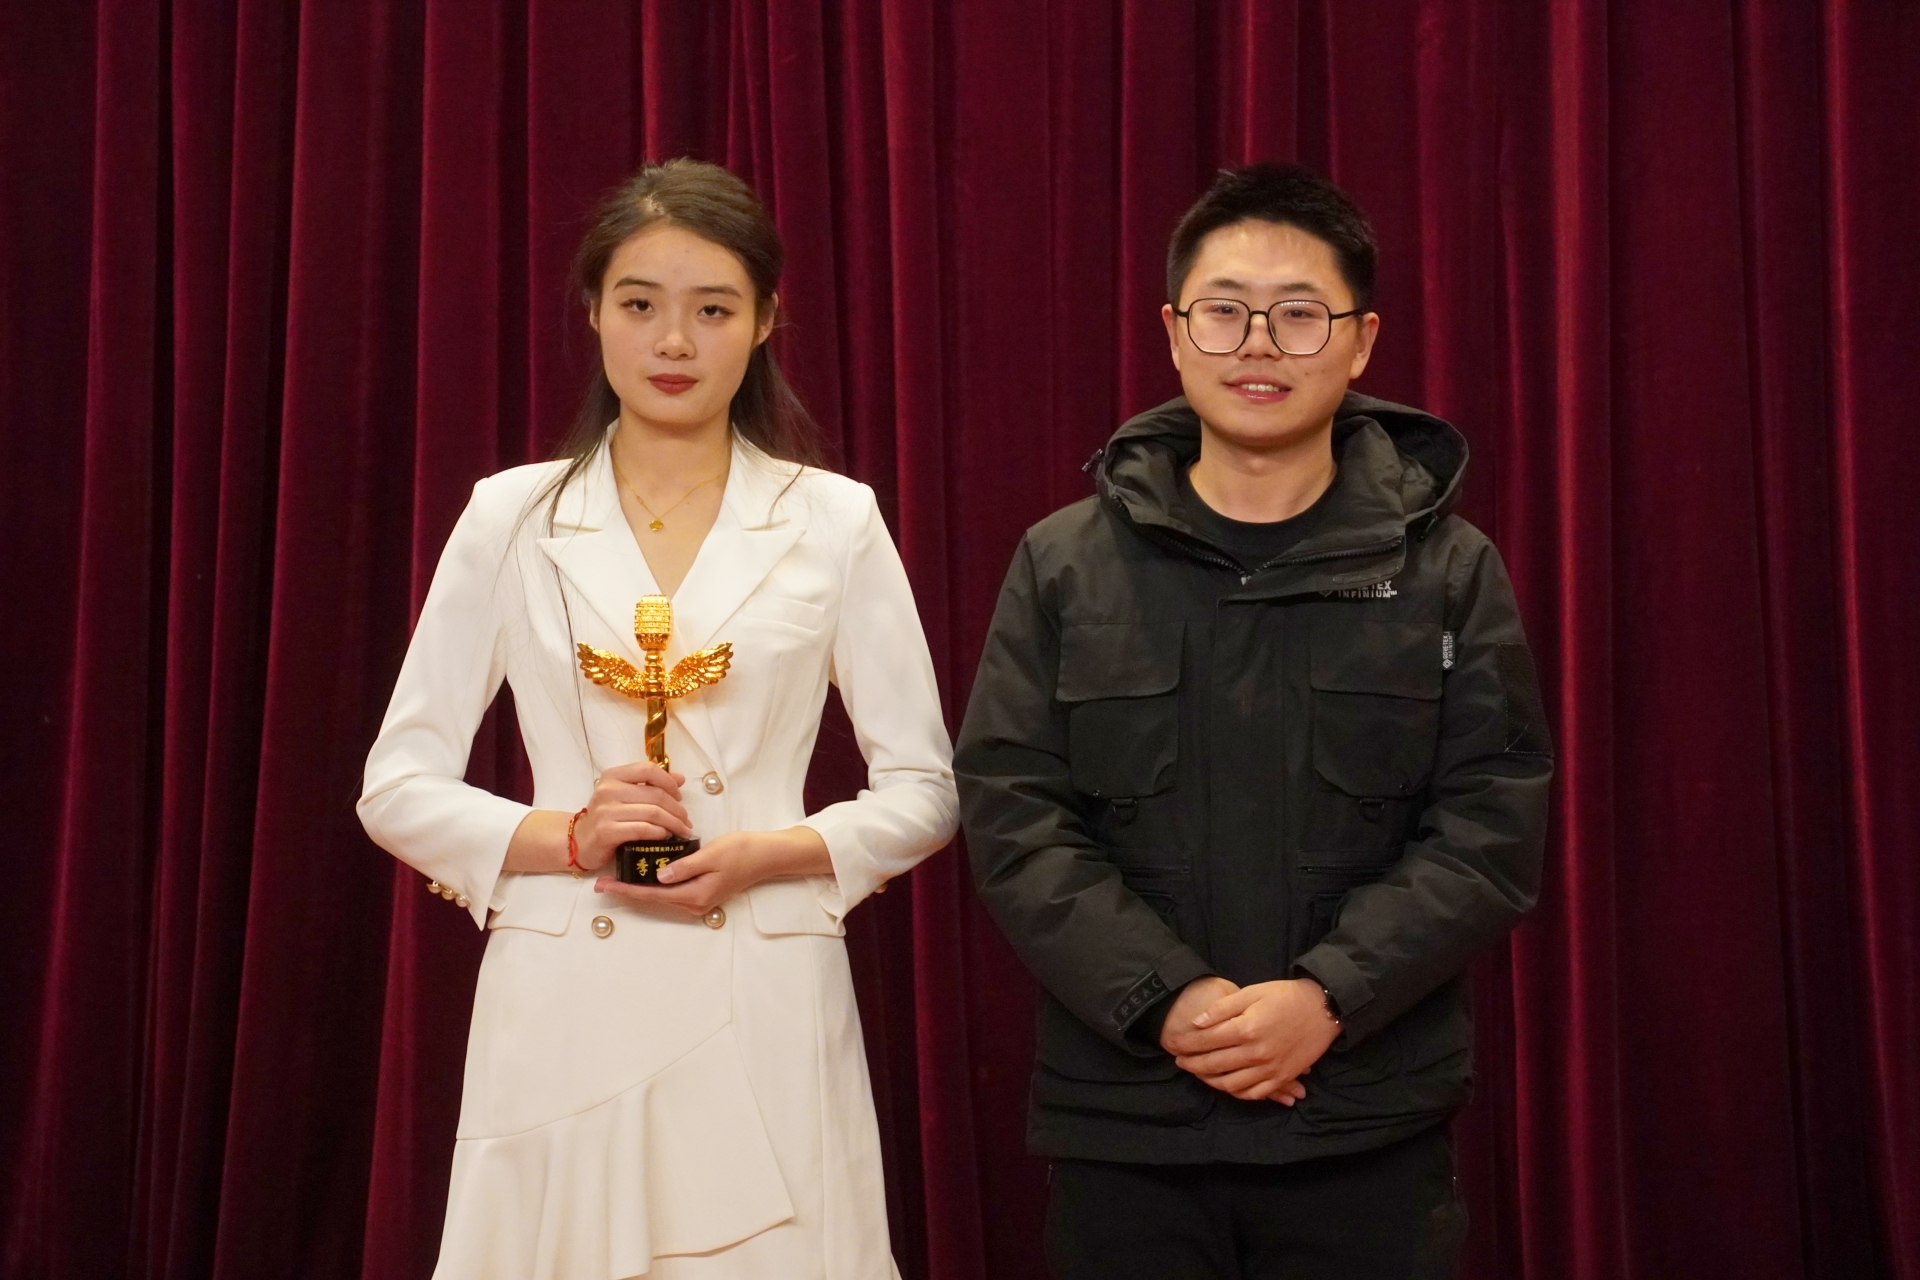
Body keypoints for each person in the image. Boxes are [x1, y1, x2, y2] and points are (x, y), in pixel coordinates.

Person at [359, 159, 956, 1280]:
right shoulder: (511, 516)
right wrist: (567, 836)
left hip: (764, 976)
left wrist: (773, 853)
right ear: (593, 311)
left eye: (713, 310)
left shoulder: (833, 520)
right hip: (565, 989)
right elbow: (397, 784)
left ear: (766, 320)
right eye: (640, 304)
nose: (673, 341)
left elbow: (925, 788)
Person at [955, 163, 1554, 1278]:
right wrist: (1165, 997)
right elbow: (1013, 813)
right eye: (1225, 311)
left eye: (1299, 314)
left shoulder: (1448, 569)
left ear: (1362, 342)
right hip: (1129, 1123)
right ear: (1175, 334)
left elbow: (1489, 825)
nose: (1259, 345)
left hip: (1362, 1118)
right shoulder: (1065, 562)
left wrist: (1330, 994)